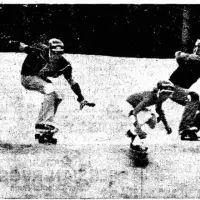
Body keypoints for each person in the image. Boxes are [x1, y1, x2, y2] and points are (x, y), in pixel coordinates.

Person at [10, 38, 95, 143]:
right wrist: (8, 41)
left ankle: (44, 128)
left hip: (40, 79)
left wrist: (81, 98)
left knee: (58, 95)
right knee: (50, 89)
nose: (56, 56)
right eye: (54, 53)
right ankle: (43, 123)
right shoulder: (39, 50)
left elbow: (71, 81)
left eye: (59, 53)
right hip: (27, 77)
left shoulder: (64, 65)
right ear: (49, 49)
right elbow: (22, 46)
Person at [126, 80, 175, 152]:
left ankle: (132, 132)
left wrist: (166, 125)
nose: (166, 96)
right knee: (148, 120)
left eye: (169, 94)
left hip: (134, 106)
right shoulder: (149, 98)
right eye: (165, 93)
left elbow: (159, 110)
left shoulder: (159, 97)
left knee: (151, 119)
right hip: (130, 106)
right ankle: (135, 143)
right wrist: (138, 128)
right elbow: (134, 113)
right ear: (159, 92)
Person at [169, 39, 200, 139]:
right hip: (171, 88)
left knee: (194, 100)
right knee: (193, 97)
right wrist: (186, 56)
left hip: (179, 90)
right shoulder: (192, 58)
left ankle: (191, 128)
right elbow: (178, 55)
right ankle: (184, 128)